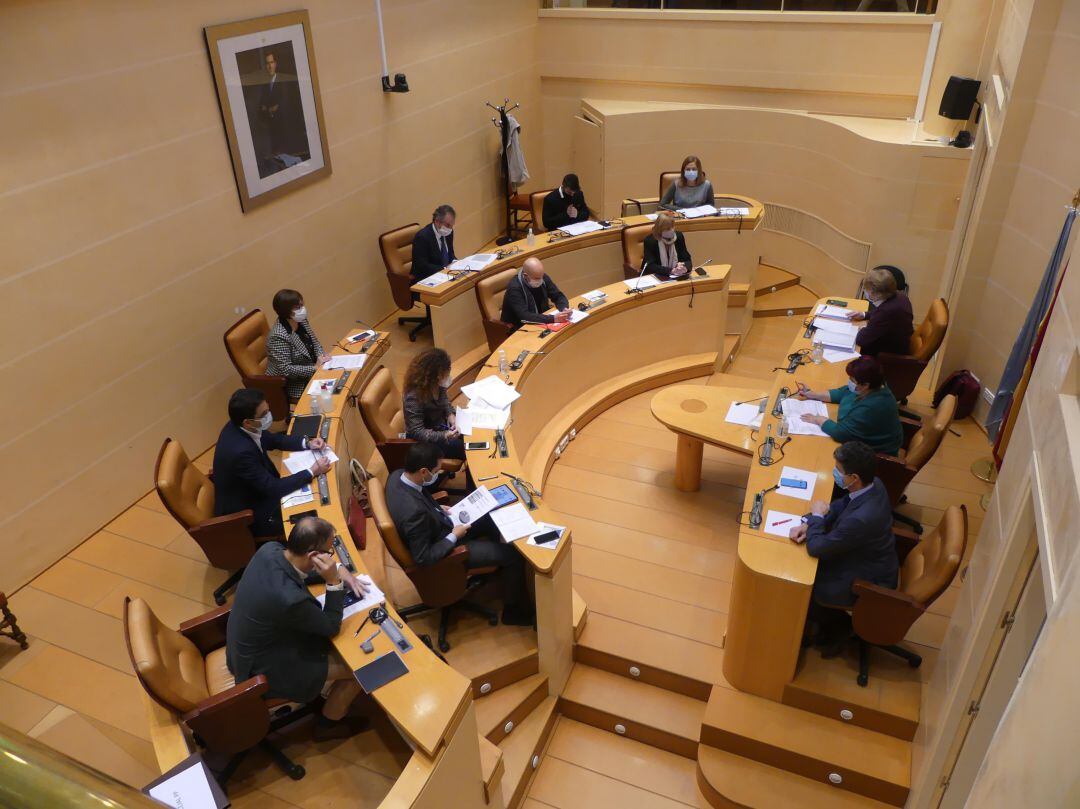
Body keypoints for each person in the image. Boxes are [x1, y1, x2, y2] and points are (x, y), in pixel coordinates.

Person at [226, 517, 371, 741]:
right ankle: (329, 726)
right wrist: (333, 583)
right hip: (264, 670)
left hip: (244, 650)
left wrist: (340, 570)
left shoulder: (269, 550)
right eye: (329, 552)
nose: (331, 557)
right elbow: (330, 626)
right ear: (314, 555)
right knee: (358, 668)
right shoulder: (290, 600)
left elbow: (295, 572)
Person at [385, 443, 533, 625]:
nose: (439, 474)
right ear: (424, 471)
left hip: (441, 524)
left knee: (490, 514)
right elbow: (423, 557)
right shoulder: (414, 514)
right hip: (447, 552)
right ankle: (513, 611)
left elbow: (420, 497)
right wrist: (454, 535)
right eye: (437, 470)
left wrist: (437, 508)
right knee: (514, 556)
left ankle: (495, 563)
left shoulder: (397, 476)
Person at [789, 441, 898, 655]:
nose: (834, 473)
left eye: (838, 470)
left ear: (854, 478)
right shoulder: (874, 484)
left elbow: (817, 547)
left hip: (866, 578)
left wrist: (818, 517)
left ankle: (838, 628)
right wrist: (810, 522)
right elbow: (842, 504)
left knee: (805, 583)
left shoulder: (861, 519)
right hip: (870, 557)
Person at [213, 388, 333, 538]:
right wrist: (312, 471)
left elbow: (273, 439)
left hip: (259, 489)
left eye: (267, 410)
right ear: (248, 422)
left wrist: (307, 443)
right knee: (315, 514)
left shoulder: (242, 426)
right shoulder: (240, 453)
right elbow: (273, 488)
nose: (269, 416)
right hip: (250, 511)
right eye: (263, 414)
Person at [795, 356, 903, 456]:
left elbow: (840, 433)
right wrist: (812, 394)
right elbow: (843, 393)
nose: (849, 382)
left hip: (874, 454)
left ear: (865, 385)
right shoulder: (874, 386)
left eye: (852, 380)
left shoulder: (872, 407)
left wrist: (818, 419)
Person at [266, 289, 332, 402]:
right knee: (330, 395)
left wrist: (322, 357)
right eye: (297, 307)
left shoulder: (300, 320)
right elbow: (285, 369)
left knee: (340, 377)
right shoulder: (278, 335)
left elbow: (314, 341)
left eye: (302, 305)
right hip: (294, 382)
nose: (302, 309)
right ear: (285, 311)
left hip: (313, 367)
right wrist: (314, 368)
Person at [403, 348, 464, 461]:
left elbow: (444, 400)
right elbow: (416, 431)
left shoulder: (437, 384)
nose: (448, 376)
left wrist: (450, 414)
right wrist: (444, 435)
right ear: (435, 376)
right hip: (428, 440)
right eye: (445, 374)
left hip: (441, 426)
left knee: (473, 436)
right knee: (466, 449)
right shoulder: (413, 397)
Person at [848, 267, 914, 357]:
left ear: (877, 294)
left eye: (867, 290)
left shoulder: (886, 312)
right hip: (897, 344)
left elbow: (861, 340)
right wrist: (864, 315)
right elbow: (878, 311)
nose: (865, 292)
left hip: (886, 356)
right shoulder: (900, 297)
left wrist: (860, 328)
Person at [500, 257, 570, 329]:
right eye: (537, 278)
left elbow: (558, 296)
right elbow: (524, 316)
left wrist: (564, 309)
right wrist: (553, 318)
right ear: (525, 275)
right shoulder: (514, 288)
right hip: (520, 325)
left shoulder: (541, 276)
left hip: (540, 317)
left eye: (541, 276)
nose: (540, 280)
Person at [411, 204, 457, 282]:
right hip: (425, 279)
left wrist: (456, 263)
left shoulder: (449, 233)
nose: (450, 229)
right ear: (437, 221)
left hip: (444, 275)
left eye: (452, 225)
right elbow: (422, 266)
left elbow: (450, 254)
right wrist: (444, 269)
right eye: (448, 225)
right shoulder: (422, 237)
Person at [641, 212, 692, 279]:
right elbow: (650, 266)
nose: (672, 230)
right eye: (668, 229)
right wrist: (670, 271)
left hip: (676, 276)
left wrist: (684, 266)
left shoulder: (679, 236)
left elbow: (687, 260)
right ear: (660, 230)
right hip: (657, 277)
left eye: (672, 227)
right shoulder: (650, 241)